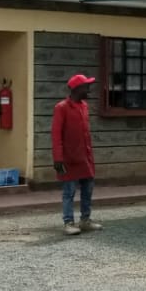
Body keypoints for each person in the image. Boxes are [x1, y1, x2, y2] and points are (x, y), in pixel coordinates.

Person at [53, 73, 101, 235]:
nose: (89, 89)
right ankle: (68, 222)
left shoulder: (84, 106)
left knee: (88, 189)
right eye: (86, 86)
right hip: (69, 158)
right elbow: (56, 134)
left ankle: (85, 219)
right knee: (69, 191)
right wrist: (58, 158)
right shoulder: (61, 108)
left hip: (85, 156)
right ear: (78, 88)